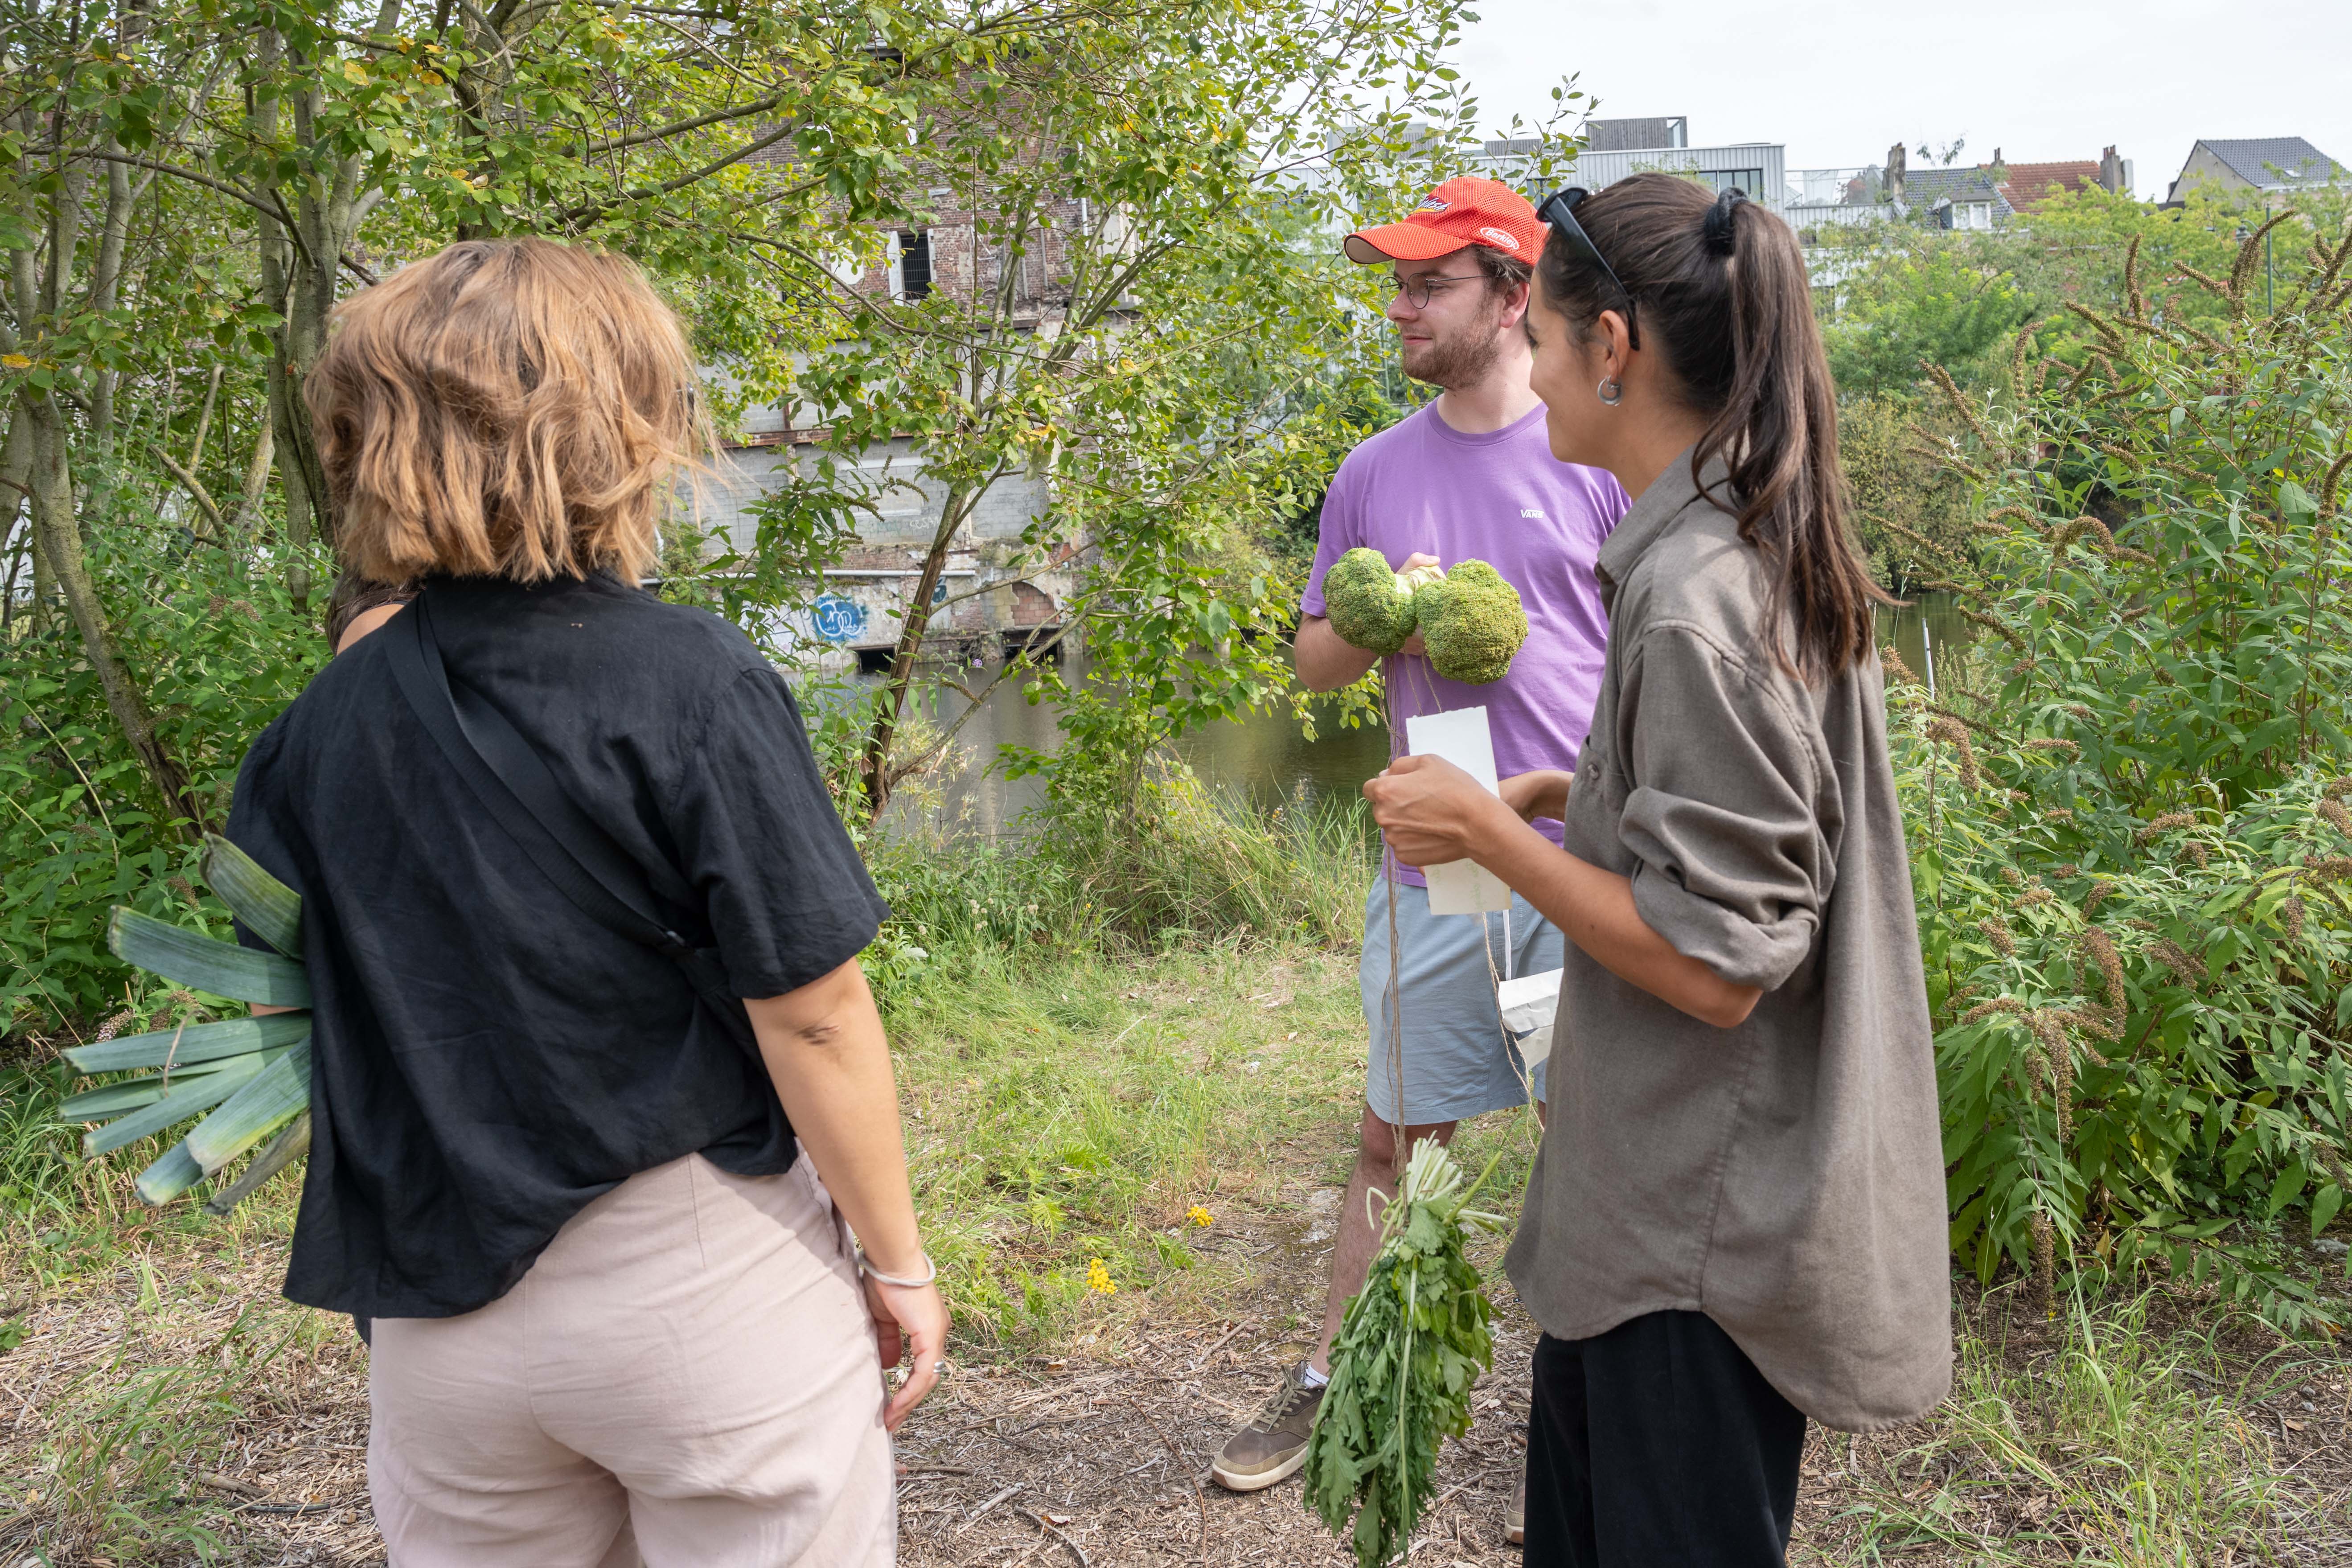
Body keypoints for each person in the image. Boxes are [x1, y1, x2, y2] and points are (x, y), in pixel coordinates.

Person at [228, 237, 946, 1567]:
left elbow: (295, 1005)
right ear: (615, 430)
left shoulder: (312, 730)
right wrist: (897, 1264)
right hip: (690, 1281)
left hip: (437, 1318)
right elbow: (818, 1017)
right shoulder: (691, 683)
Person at [1362, 172, 1952, 1565]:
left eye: (1551, 343)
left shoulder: (1695, 598)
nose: (1538, 375)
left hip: (1701, 1242)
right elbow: (1752, 822)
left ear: (1613, 348)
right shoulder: (1730, 531)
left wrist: (1498, 839)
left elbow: (1717, 963)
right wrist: (1596, 799)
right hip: (1655, 1219)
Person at [1210, 178, 1629, 1534]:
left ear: (1516, 297)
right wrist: (1397, 619)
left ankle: (1591, 1432)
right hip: (1436, 865)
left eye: (1427, 284)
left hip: (1584, 854)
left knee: (1599, 1140)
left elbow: (1660, 652)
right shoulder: (1374, 469)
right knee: (1396, 1140)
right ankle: (1334, 1381)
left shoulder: (1604, 456)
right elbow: (1313, 653)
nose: (1397, 306)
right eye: (1393, 283)